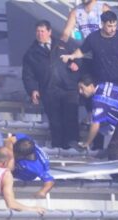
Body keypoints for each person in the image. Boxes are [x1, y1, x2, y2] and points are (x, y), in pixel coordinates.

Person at [22, 19, 80, 149]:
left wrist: (75, 65)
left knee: (70, 119)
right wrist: (33, 90)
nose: (40, 34)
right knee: (55, 122)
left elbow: (77, 57)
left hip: (68, 88)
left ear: (49, 32)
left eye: (42, 31)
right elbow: (28, 75)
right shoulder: (31, 53)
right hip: (49, 90)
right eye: (37, 31)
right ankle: (58, 148)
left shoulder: (63, 45)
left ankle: (73, 147)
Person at [61, 11, 118, 91]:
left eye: (115, 26)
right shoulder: (93, 38)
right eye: (109, 26)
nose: (113, 29)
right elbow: (82, 51)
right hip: (100, 82)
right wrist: (71, 56)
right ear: (102, 24)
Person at [9, 133, 54, 198]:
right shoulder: (26, 141)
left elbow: (50, 181)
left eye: (16, 154)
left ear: (24, 156)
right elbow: (11, 139)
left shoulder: (38, 167)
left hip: (25, 174)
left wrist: (43, 191)